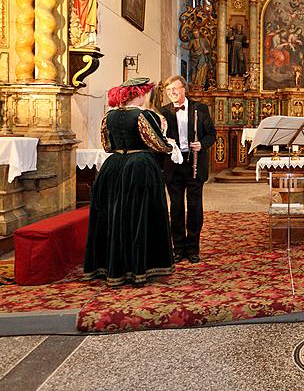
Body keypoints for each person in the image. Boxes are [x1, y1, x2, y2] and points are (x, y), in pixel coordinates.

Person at [84, 77, 175, 286]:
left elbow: (107, 145)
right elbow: (157, 143)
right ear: (139, 94)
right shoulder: (144, 115)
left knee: (113, 214)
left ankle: (110, 267)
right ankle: (138, 268)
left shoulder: (109, 116)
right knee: (139, 215)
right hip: (139, 167)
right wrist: (170, 146)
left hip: (113, 167)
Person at [160, 75, 217, 263]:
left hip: (194, 163)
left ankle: (193, 248)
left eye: (175, 89)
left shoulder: (200, 109)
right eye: (169, 91)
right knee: (175, 207)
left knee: (194, 207)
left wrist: (202, 144)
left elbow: (211, 134)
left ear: (184, 89)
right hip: (173, 165)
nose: (172, 93)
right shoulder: (163, 112)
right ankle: (178, 248)